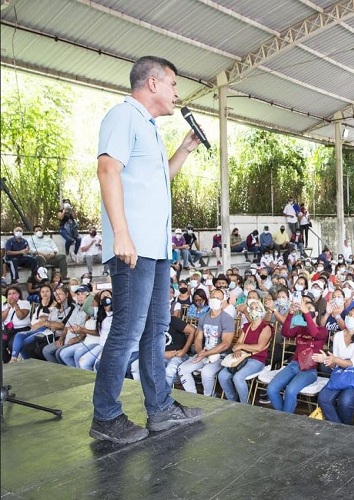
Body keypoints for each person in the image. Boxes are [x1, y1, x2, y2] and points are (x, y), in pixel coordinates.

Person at [90, 55, 203, 445]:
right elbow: (108, 170)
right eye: (173, 84)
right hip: (132, 246)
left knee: (155, 330)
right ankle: (105, 416)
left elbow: (157, 182)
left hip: (156, 249)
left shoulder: (150, 128)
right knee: (127, 330)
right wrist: (121, 234)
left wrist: (185, 149)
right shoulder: (122, 116)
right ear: (153, 84)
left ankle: (160, 410)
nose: (177, 93)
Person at [268, 294, 328, 413]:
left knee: (290, 391)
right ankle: (284, 418)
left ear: (316, 314)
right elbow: (286, 332)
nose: (306, 310)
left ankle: (286, 419)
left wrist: (306, 312)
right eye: (305, 309)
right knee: (271, 389)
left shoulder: (323, 331)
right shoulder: (301, 327)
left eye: (310, 309)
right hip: (293, 365)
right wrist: (290, 313)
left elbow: (314, 333)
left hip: (309, 371)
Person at [315, 306, 354, 425]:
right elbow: (334, 365)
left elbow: (353, 364)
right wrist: (326, 360)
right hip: (340, 375)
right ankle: (340, 429)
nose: (350, 317)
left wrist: (335, 359)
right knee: (323, 398)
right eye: (349, 314)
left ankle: (343, 429)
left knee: (344, 401)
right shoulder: (338, 336)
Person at [177, 288, 235, 395]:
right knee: (182, 369)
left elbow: (226, 344)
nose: (214, 300)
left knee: (206, 373)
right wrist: (200, 353)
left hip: (220, 355)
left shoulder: (227, 319)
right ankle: (192, 395)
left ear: (222, 302)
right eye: (213, 297)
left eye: (218, 298)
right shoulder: (204, 317)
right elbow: (198, 338)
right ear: (208, 298)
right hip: (204, 353)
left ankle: (208, 396)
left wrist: (206, 354)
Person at [218, 299, 272, 404]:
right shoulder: (246, 327)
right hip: (242, 357)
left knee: (238, 378)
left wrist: (241, 346)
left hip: (256, 359)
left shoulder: (266, 327)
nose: (253, 311)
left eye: (256, 308)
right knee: (222, 376)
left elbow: (259, 347)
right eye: (251, 308)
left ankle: (244, 404)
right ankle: (232, 401)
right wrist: (236, 349)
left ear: (261, 310)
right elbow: (237, 344)